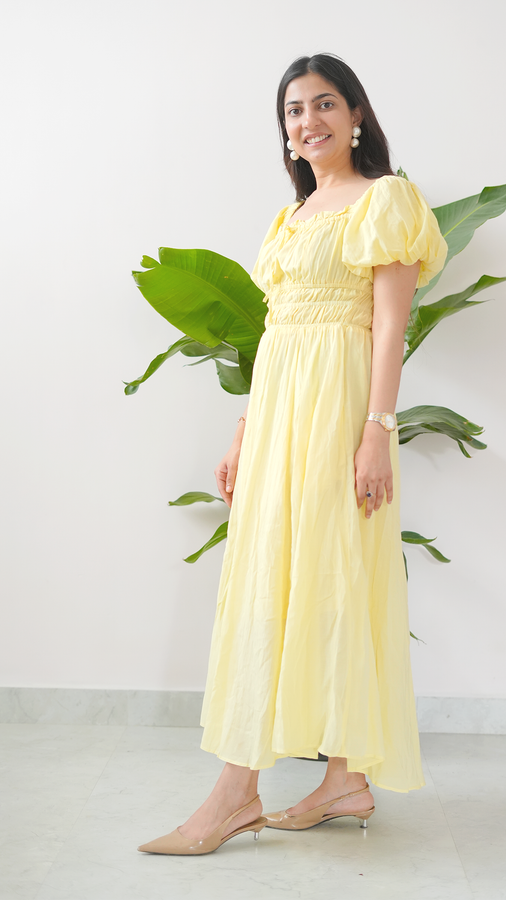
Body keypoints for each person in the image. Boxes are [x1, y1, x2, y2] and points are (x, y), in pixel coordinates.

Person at [138, 52, 448, 856]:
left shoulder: (387, 200)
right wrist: (245, 428)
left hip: (342, 409)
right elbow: (274, 333)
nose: (307, 122)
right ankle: (343, 778)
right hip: (281, 412)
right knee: (283, 570)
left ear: (355, 116)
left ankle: (234, 795)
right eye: (292, 112)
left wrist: (377, 430)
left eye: (323, 105)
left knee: (327, 569)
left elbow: (389, 326)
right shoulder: (293, 218)